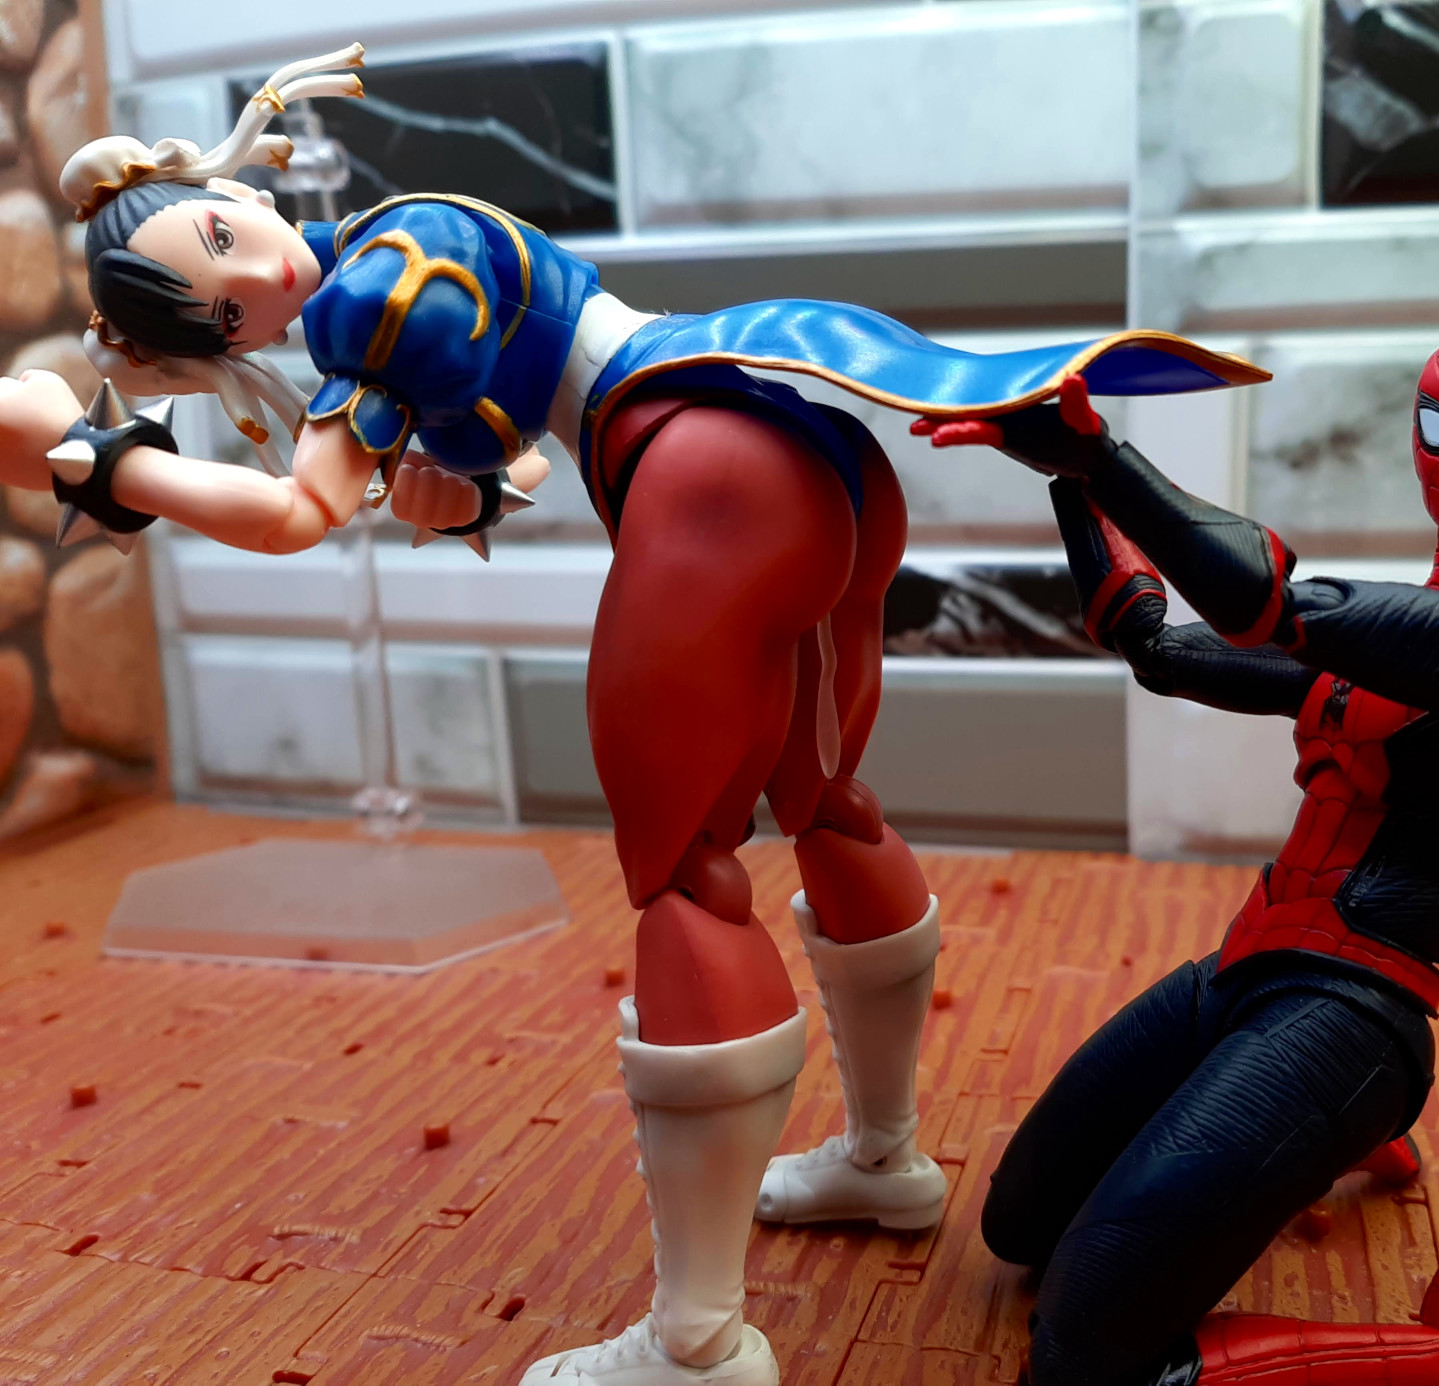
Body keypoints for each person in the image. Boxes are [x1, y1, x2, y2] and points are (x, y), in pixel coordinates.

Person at [0, 46, 1271, 1386]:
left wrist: (88, 457)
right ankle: (883, 1158)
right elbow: (490, 438)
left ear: (234, 190)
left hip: (707, 472)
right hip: (801, 446)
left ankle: (698, 1341)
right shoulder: (403, 233)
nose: (260, 285)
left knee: (684, 878)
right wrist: (449, 480)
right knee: (828, 801)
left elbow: (291, 514)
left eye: (221, 240)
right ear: (223, 347)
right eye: (225, 314)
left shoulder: (362, 302)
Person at [917, 326, 1439, 1386]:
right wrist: (1068, 481)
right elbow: (1155, 647)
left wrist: (1101, 458)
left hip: (1352, 1009)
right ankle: (1332, 1133)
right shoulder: (1384, 644)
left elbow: (1262, 604)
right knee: (1017, 1228)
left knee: (1083, 1358)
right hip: (1242, 969)